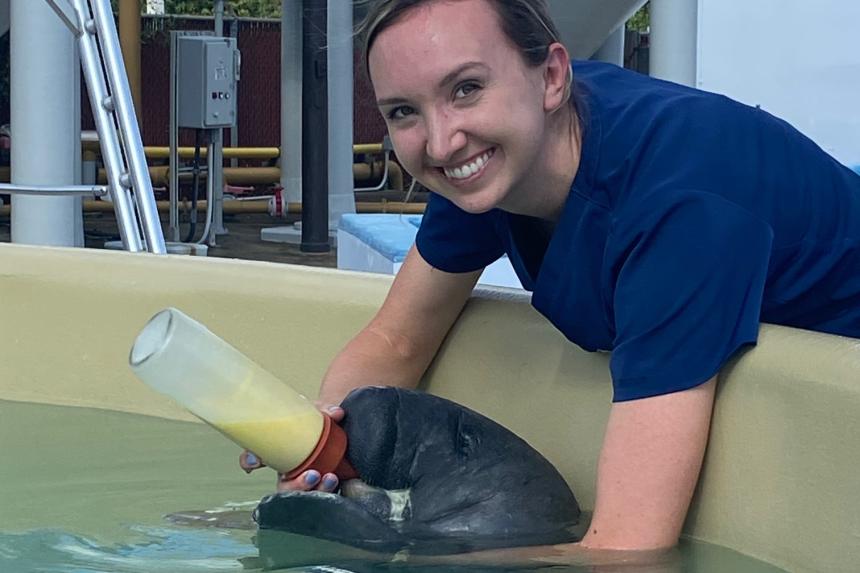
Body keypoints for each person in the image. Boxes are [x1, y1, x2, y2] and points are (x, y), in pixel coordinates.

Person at [242, 0, 860, 565]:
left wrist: (406, 561)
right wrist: (319, 450)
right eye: (404, 110)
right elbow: (397, 341)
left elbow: (626, 549)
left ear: (553, 78)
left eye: (466, 88)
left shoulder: (680, 207)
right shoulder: (486, 157)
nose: (439, 140)